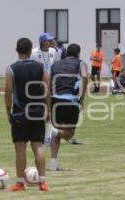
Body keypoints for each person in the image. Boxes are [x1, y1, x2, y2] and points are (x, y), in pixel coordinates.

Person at [4, 38, 50, 191]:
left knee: (20, 148)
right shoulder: (41, 67)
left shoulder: (11, 69)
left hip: (20, 113)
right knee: (38, 146)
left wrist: (8, 111)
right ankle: (42, 182)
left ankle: (19, 183)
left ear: (17, 51)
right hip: (37, 113)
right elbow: (46, 91)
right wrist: (48, 110)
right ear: (31, 51)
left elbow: (8, 92)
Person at [44, 43, 88, 171]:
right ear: (78, 54)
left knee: (56, 133)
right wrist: (82, 97)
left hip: (55, 100)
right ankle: (54, 131)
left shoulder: (55, 64)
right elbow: (85, 76)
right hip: (70, 100)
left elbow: (47, 80)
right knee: (68, 134)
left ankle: (53, 164)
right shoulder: (80, 63)